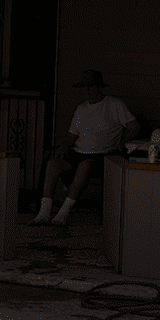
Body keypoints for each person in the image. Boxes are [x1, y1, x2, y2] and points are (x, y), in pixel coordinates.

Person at [31, 70, 139, 226]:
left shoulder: (114, 104)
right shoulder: (81, 109)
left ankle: (63, 213)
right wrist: (64, 147)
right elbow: (71, 136)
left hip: (102, 155)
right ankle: (44, 212)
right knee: (53, 164)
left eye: (90, 86)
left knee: (85, 165)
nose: (87, 90)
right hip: (77, 152)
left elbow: (134, 126)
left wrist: (123, 141)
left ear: (99, 87)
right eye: (83, 87)